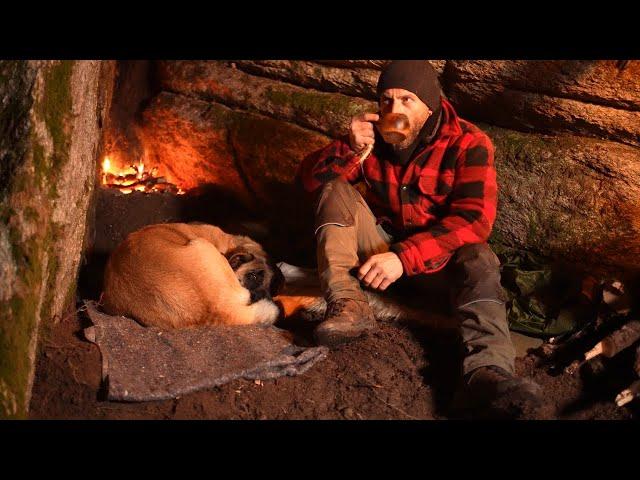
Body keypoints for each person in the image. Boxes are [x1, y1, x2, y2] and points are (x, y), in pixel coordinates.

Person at [296, 60, 544, 418]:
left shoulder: (469, 143)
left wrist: (403, 257)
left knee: (479, 257)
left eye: (407, 100)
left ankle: (487, 372)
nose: (394, 111)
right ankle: (348, 306)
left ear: (430, 104)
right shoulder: (371, 138)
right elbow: (309, 185)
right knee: (334, 189)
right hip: (378, 255)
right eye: (386, 101)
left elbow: (474, 220)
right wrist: (346, 148)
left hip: (434, 267)